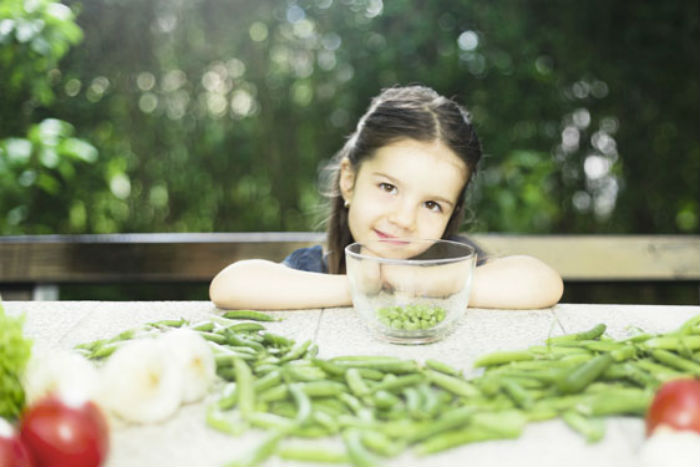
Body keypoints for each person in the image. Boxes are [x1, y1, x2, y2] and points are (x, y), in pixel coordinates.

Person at [210, 85, 563, 310]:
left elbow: (542, 282)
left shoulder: (452, 266)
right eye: (388, 187)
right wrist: (361, 289)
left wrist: (421, 283)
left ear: (452, 212)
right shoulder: (316, 269)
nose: (404, 220)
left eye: (431, 204)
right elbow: (229, 286)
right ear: (349, 180)